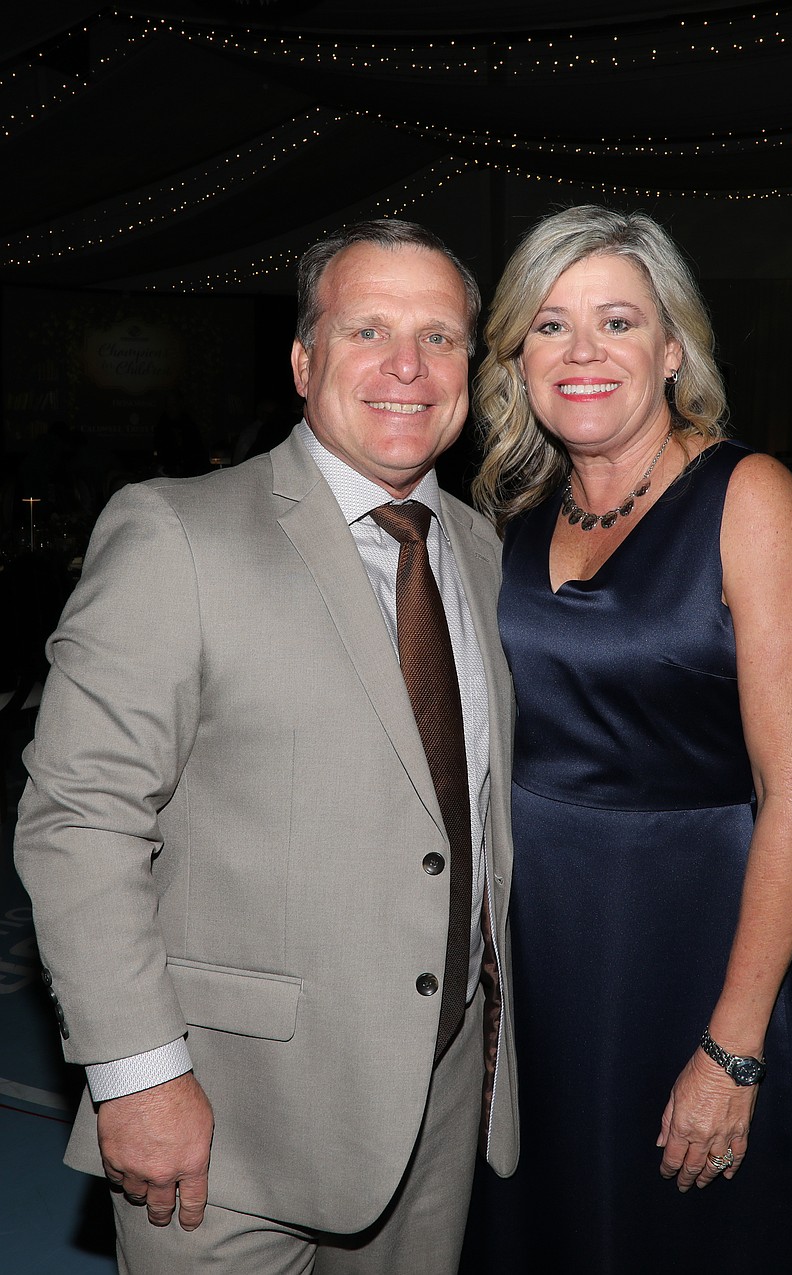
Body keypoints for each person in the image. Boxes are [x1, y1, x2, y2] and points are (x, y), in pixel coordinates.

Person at [14, 218, 518, 1275]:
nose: (406, 367)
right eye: (367, 330)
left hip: (436, 1101)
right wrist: (138, 1074)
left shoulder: (479, 550)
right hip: (225, 1118)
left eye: (438, 337)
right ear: (302, 360)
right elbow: (80, 821)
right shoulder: (176, 533)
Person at [461, 205, 792, 1274]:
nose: (581, 351)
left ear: (672, 349)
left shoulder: (747, 498)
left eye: (617, 321)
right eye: (549, 325)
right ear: (518, 358)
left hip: (688, 948)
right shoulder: (515, 512)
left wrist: (732, 1045)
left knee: (670, 1230)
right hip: (533, 953)